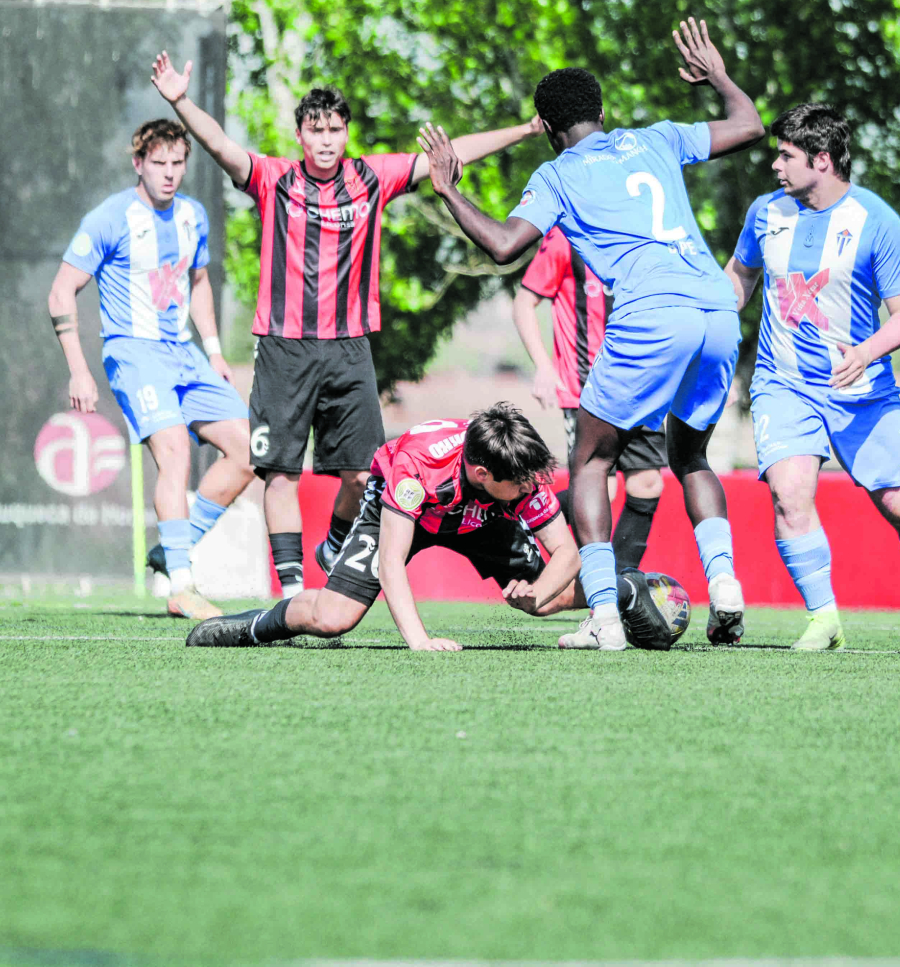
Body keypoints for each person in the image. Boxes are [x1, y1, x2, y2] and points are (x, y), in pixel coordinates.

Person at [416, 18, 765, 651]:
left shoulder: (556, 175)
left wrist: (448, 191)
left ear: (549, 130)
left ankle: (603, 617)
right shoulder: (656, 138)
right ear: (602, 113)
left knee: (590, 460)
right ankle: (726, 587)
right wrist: (718, 76)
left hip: (652, 311)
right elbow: (749, 126)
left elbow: (503, 245)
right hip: (717, 306)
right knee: (690, 456)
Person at [148, 54, 542, 598]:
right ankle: (291, 593)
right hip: (284, 349)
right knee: (281, 475)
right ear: (300, 136)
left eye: (335, 129)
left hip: (349, 350)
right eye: (316, 130)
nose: (326, 140)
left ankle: (334, 544)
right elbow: (220, 145)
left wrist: (524, 130)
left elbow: (448, 154)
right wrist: (180, 100)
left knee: (362, 475)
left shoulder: (370, 178)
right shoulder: (274, 179)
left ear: (347, 133)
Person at [724, 103, 900, 651]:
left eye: (786, 156)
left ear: (822, 160)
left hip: (862, 391)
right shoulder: (765, 213)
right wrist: (708, 321)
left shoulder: (877, 221)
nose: (775, 165)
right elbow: (741, 275)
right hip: (783, 384)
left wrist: (867, 352)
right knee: (789, 494)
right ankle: (823, 619)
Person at [46, 118, 254, 620]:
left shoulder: (193, 215)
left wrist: (215, 351)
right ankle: (181, 585)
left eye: (177, 163)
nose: (169, 173)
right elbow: (60, 291)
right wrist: (78, 370)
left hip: (185, 354)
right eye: (159, 163)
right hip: (134, 354)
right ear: (138, 163)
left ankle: (172, 548)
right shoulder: (109, 218)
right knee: (175, 449)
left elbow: (198, 283)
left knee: (249, 451)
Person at [185, 403, 584, 651]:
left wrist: (537, 594)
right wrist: (420, 641)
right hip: (402, 512)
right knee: (332, 618)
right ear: (482, 473)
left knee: (556, 597)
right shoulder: (419, 466)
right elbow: (391, 561)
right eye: (521, 485)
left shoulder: (518, 469)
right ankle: (254, 626)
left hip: (482, 517)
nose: (531, 488)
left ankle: (618, 600)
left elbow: (566, 552)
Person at [513, 227, 665, 570]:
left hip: (642, 384)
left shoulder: (648, 232)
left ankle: (621, 582)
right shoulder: (567, 237)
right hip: (586, 388)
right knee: (601, 488)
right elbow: (523, 303)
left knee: (647, 483)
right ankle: (519, 523)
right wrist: (543, 366)